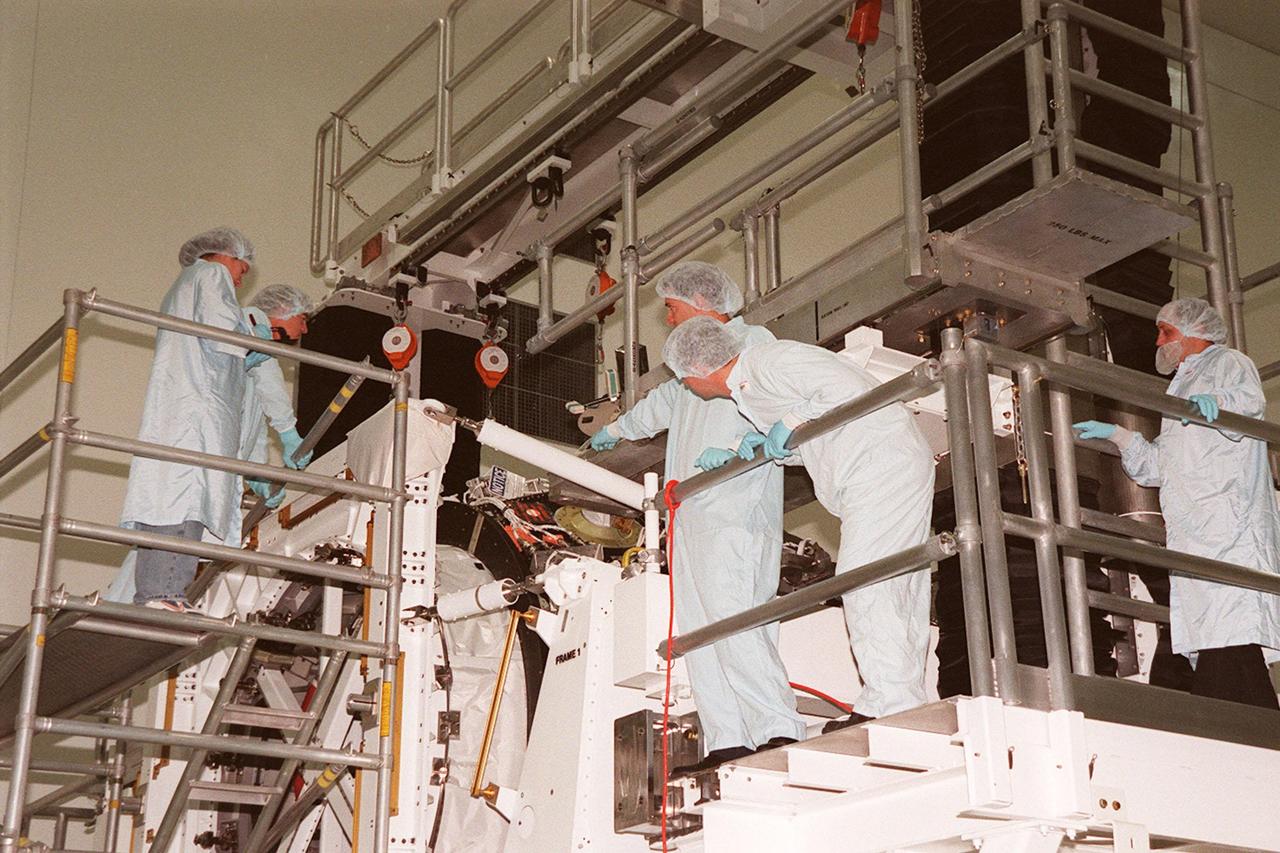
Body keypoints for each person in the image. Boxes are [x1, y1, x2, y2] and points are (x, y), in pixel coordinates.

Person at [664, 315, 936, 730]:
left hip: (879, 464)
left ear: (696, 370)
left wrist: (788, 423)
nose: (685, 386)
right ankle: (903, 697)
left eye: (682, 378)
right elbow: (813, 433)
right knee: (893, 584)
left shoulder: (770, 360)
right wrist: (752, 446)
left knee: (864, 580)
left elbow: (844, 390)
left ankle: (888, 701)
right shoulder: (748, 391)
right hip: (871, 468)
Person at [589, 262, 805, 770]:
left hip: (732, 505)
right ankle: (726, 737)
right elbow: (668, 399)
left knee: (735, 618)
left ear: (702, 301)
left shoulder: (752, 343)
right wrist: (619, 430)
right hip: (689, 512)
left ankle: (777, 727)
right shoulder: (691, 365)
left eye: (670, 306)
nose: (667, 318)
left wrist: (737, 446)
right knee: (699, 627)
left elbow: (776, 406)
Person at [1074, 297, 1280, 709]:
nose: (1158, 340)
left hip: (1229, 528)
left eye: (1166, 331)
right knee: (1216, 639)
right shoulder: (1181, 386)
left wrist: (1220, 406)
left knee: (1230, 633)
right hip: (1194, 536)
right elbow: (1157, 466)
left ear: (1194, 332)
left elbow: (1250, 405)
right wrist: (1117, 434)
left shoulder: (1228, 362)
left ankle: (1246, 729)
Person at [118, 227, 264, 612]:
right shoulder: (210, 275)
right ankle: (164, 593)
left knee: (169, 496)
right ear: (222, 256)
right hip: (197, 412)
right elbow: (221, 333)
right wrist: (252, 339)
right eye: (240, 267)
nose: (241, 276)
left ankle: (161, 592)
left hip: (186, 405)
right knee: (187, 497)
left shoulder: (184, 285)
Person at [240, 284, 316, 510]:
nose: (305, 330)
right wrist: (288, 431)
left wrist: (256, 476)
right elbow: (270, 383)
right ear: (283, 308)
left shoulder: (256, 354)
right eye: (302, 319)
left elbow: (251, 429)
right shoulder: (251, 321)